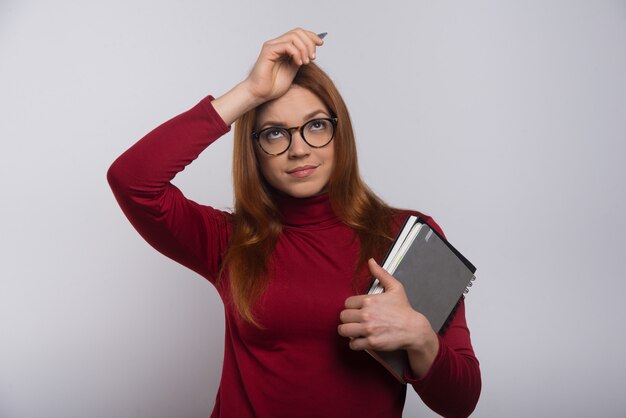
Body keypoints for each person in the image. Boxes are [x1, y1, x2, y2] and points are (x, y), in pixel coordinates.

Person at [107, 28, 481, 418]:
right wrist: (250, 92)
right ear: (255, 150)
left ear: (341, 134)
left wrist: (421, 339)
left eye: (316, 125)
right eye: (274, 133)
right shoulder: (228, 241)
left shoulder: (405, 237)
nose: (299, 148)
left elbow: (461, 403)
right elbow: (132, 181)